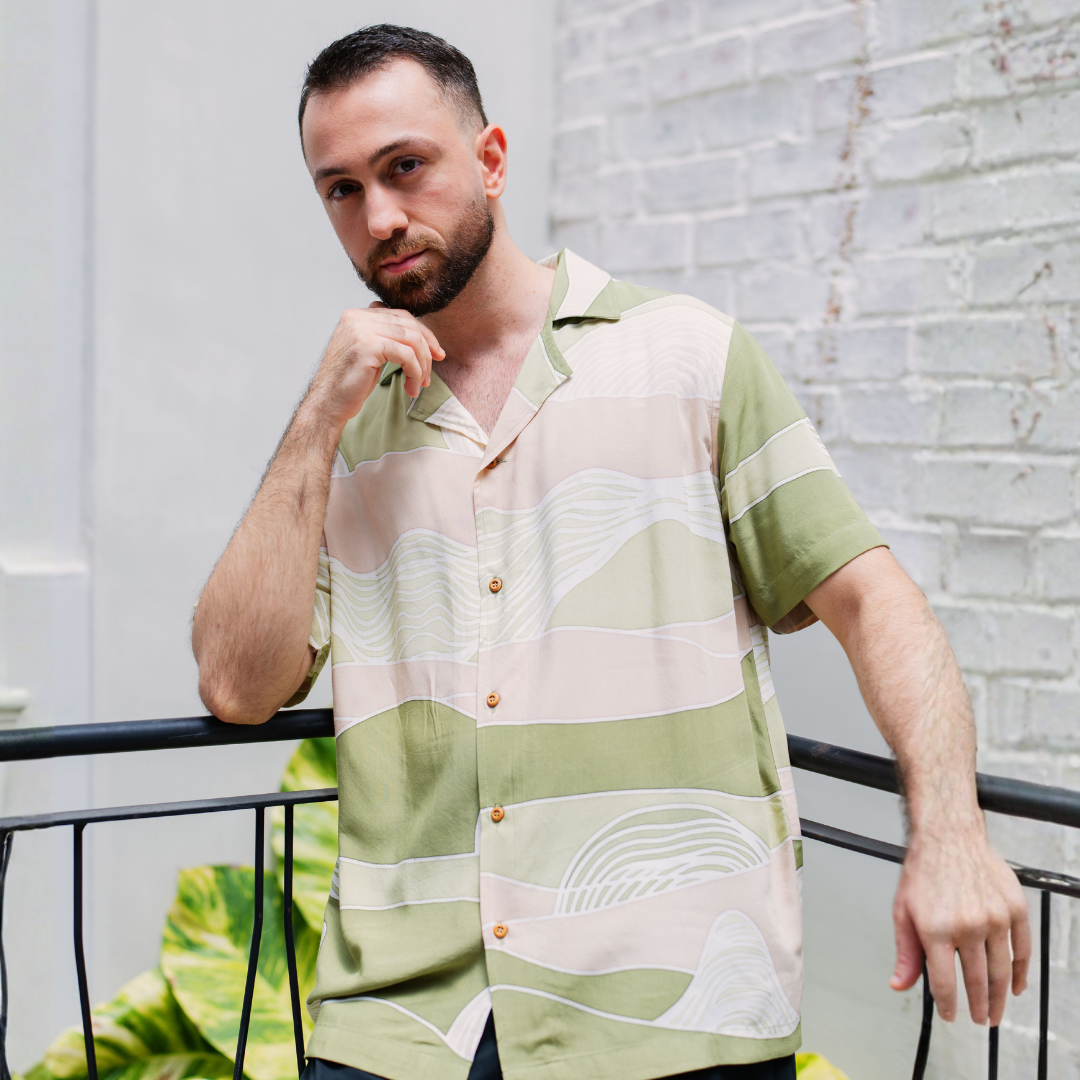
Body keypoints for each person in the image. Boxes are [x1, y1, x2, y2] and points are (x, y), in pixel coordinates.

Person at [192, 24, 1030, 1080]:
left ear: (490, 158)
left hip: (669, 1016)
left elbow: (874, 600)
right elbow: (236, 682)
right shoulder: (350, 428)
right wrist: (317, 415)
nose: (382, 218)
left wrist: (950, 834)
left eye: (406, 167)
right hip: (405, 1031)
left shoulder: (687, 356)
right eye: (342, 191)